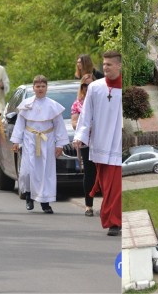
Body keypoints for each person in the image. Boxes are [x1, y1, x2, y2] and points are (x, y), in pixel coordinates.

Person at [74, 50, 122, 236]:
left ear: (118, 65)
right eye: (103, 64)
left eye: (109, 64)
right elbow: (86, 115)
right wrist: (80, 136)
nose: (105, 67)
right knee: (106, 184)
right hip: (101, 142)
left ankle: (114, 222)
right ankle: (111, 216)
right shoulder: (95, 87)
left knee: (115, 187)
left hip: (117, 143)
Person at [10, 75, 69, 214]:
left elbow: (59, 126)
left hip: (47, 141)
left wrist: (60, 145)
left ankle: (45, 202)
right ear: (33, 88)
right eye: (38, 86)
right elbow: (20, 124)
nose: (40, 89)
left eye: (43, 86)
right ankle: (29, 195)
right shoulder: (26, 104)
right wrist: (16, 141)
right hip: (30, 140)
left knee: (45, 172)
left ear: (46, 88)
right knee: (27, 172)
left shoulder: (53, 106)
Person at [71, 74, 96, 217]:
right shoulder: (78, 103)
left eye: (90, 85)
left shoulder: (100, 102)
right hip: (87, 142)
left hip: (101, 141)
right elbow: (74, 123)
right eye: (85, 85)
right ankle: (88, 205)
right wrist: (84, 128)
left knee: (104, 173)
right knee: (89, 173)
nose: (87, 88)